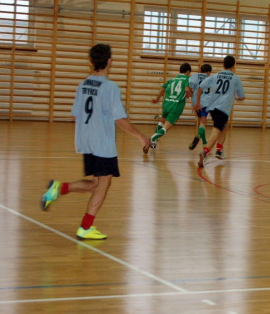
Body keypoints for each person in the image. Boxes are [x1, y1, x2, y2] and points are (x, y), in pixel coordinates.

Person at [41, 44, 150, 240]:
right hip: (103, 143)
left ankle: (58, 188)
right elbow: (119, 119)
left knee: (95, 183)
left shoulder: (83, 85)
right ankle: (85, 227)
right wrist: (140, 136)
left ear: (90, 62)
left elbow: (76, 116)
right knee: (103, 184)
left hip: (86, 141)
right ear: (110, 61)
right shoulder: (110, 88)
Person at [193, 55, 245, 167]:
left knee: (224, 126)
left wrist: (197, 102)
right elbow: (242, 97)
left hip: (212, 107)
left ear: (223, 64)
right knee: (216, 131)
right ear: (233, 65)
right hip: (223, 108)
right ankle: (205, 151)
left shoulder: (215, 75)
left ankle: (219, 150)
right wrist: (237, 97)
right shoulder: (235, 78)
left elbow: (200, 87)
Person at [147, 63, 192, 151]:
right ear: (188, 71)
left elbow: (163, 89)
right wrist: (191, 94)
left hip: (167, 104)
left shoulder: (172, 79)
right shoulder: (187, 79)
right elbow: (186, 89)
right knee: (166, 128)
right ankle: (151, 139)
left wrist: (157, 99)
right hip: (176, 106)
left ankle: (154, 141)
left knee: (162, 121)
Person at [188, 64, 212, 150]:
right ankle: (198, 135)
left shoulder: (195, 76)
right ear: (209, 72)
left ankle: (204, 142)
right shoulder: (210, 78)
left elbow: (188, 87)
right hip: (206, 102)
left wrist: (191, 95)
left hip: (196, 102)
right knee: (203, 123)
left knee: (200, 123)